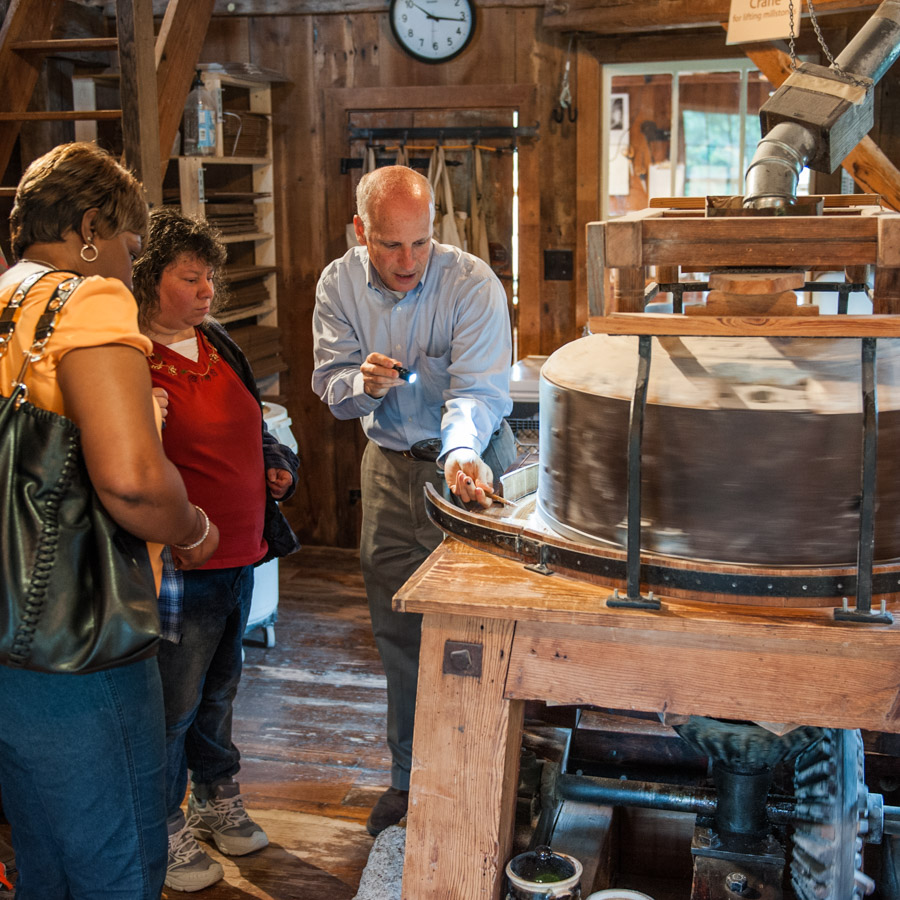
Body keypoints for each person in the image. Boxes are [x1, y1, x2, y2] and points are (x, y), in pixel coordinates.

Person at [0, 142, 219, 899]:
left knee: (43, 857)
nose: (131, 271)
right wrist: (192, 527)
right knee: (117, 860)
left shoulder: (3, 302)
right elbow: (128, 482)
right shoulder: (84, 301)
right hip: (78, 635)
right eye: (130, 248)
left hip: (5, 639)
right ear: (91, 228)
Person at [311, 165, 515, 835]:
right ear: (360, 230)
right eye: (391, 244)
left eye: (420, 244)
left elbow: (478, 396)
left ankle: (487, 775)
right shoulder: (338, 284)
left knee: (478, 634)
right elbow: (331, 390)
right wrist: (363, 385)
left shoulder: (472, 283)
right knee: (399, 633)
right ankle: (407, 780)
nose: (407, 262)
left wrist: (460, 454)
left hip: (468, 465)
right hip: (388, 469)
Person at [132, 207, 300, 893]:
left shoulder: (217, 342)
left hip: (239, 559)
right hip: (181, 567)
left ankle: (215, 799)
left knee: (220, 692)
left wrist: (274, 462)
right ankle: (163, 830)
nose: (206, 292)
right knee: (173, 705)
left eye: (210, 279)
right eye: (190, 278)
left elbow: (253, 427)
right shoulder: (133, 358)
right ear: (150, 279)